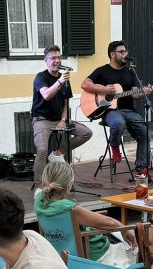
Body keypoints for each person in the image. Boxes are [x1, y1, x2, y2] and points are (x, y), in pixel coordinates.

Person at [81, 40, 152, 179]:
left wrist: (144, 93)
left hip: (129, 110)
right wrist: (103, 89)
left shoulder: (130, 71)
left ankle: (141, 170)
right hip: (110, 111)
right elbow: (84, 84)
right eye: (121, 52)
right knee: (118, 123)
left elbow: (135, 94)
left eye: (125, 51)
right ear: (112, 54)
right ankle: (114, 145)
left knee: (145, 132)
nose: (125, 54)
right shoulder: (102, 71)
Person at [31, 45, 92, 186]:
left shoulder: (64, 78)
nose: (57, 61)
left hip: (59, 118)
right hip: (42, 119)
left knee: (86, 133)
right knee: (41, 150)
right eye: (53, 58)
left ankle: (58, 153)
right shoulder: (41, 77)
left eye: (59, 57)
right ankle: (40, 186)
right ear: (45, 60)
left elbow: (66, 103)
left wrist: (63, 120)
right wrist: (60, 82)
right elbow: (46, 95)